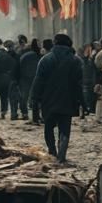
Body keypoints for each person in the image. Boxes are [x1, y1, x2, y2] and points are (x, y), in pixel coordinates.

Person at [31, 32, 83, 164]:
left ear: (55, 43)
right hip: (68, 99)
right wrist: (83, 102)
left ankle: (52, 150)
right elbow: (79, 84)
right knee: (65, 127)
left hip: (48, 99)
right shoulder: (76, 61)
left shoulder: (45, 60)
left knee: (48, 126)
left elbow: (38, 81)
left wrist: (34, 98)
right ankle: (62, 153)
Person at [16, 38, 42, 121]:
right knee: (36, 97)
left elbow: (19, 67)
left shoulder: (24, 56)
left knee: (24, 96)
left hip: (25, 78)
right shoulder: (40, 56)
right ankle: (36, 115)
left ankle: (25, 113)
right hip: (35, 77)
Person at [80, 43, 98, 116]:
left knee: (91, 96)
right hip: (86, 80)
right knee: (87, 96)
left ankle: (90, 109)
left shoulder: (92, 59)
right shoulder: (84, 59)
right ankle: (87, 109)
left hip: (91, 80)